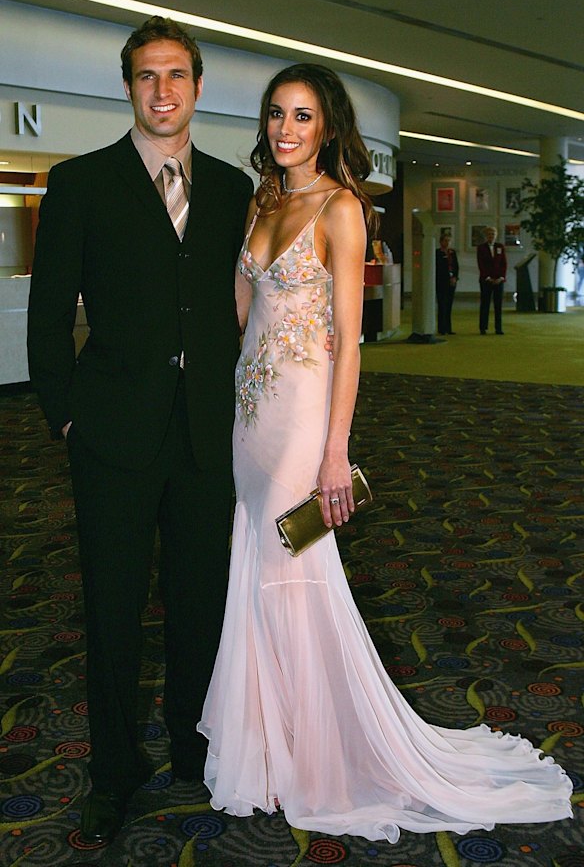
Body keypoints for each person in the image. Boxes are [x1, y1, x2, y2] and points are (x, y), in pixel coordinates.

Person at [197, 64, 572, 843]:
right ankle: (272, 744)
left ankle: (321, 761)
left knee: (292, 566)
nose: (285, 129)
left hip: (303, 420)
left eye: (302, 116)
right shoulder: (262, 200)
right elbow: (244, 309)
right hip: (252, 413)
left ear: (327, 126)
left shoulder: (342, 208)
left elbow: (351, 345)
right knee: (257, 563)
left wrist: (336, 453)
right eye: (275, 115)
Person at [27, 16, 253, 846]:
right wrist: (67, 416)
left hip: (206, 437)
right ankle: (115, 771)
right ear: (129, 87)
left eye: (177, 75)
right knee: (112, 612)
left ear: (197, 87)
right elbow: (49, 316)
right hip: (112, 437)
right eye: (147, 76)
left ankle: (196, 749)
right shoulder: (80, 182)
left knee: (201, 604)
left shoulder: (232, 189)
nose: (163, 90)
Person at [477, 225, 507, 334]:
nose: (491, 236)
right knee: (485, 304)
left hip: (499, 280)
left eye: (493, 234)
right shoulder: (481, 248)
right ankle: (483, 328)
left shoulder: (500, 247)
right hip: (486, 280)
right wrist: (488, 278)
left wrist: (501, 277)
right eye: (489, 234)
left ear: (496, 235)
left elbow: (504, 263)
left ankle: (498, 328)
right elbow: (481, 264)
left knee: (498, 305)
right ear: (486, 236)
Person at [435, 234, 459, 335]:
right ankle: (441, 328)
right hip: (441, 282)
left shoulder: (452, 253)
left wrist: (454, 277)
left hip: (451, 282)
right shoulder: (437, 253)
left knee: (449, 305)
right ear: (441, 242)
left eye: (449, 241)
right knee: (442, 305)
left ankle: (448, 328)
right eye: (445, 241)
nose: (447, 243)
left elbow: (456, 266)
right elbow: (438, 268)